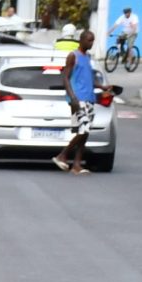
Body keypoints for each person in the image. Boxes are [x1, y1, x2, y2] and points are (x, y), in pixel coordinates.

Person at [56, 29, 99, 175]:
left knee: (84, 133)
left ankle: (76, 165)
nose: (91, 43)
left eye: (93, 40)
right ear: (81, 40)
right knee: (83, 129)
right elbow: (65, 78)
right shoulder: (73, 56)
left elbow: (89, 79)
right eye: (89, 40)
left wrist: (103, 86)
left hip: (89, 98)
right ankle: (62, 155)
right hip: (78, 99)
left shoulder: (88, 58)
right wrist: (72, 97)